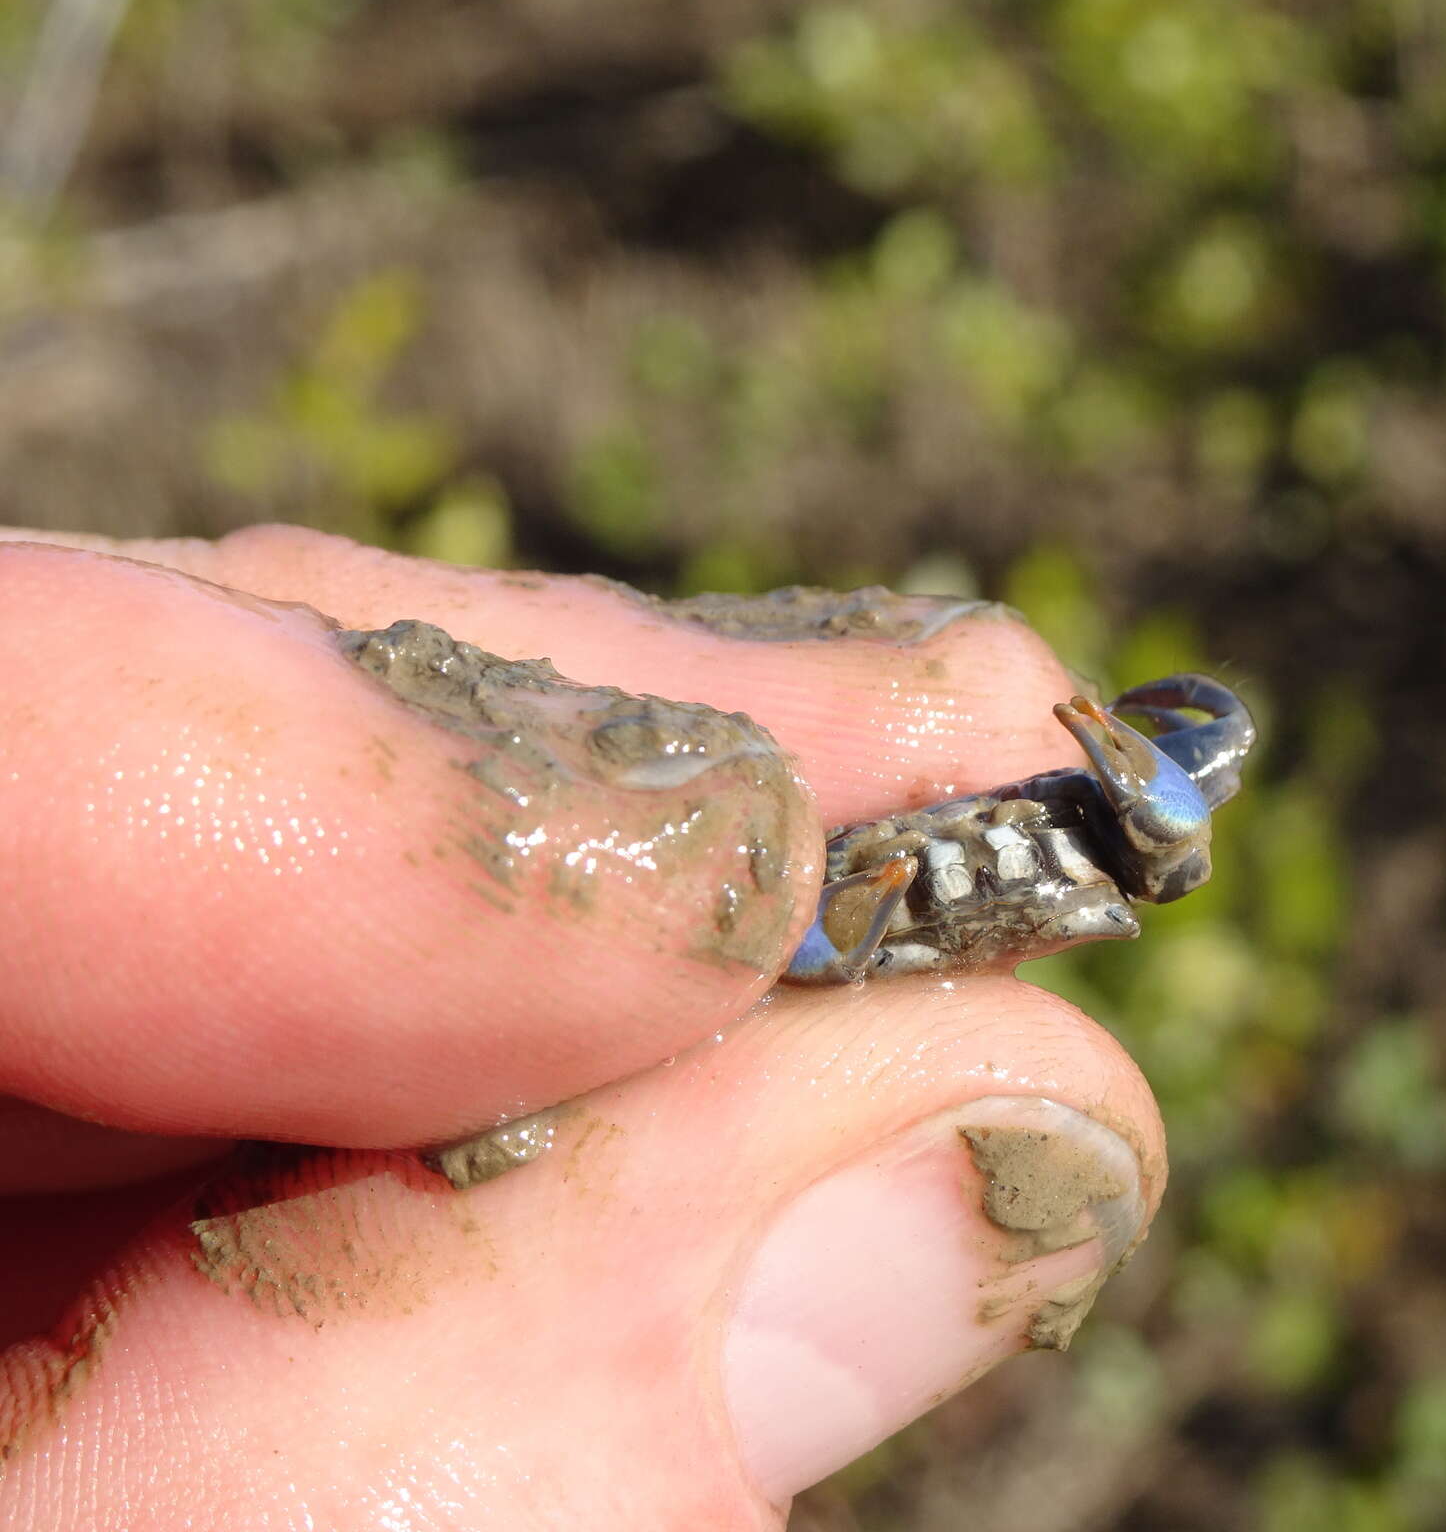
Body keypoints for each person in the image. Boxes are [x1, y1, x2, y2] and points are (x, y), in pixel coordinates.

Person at [0, 526, 1165, 1530]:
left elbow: (1167, 845)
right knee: (688, 928)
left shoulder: (1084, 853)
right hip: (812, 934)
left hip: (889, 955)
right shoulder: (843, 869)